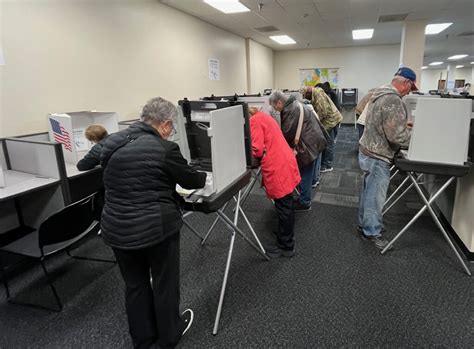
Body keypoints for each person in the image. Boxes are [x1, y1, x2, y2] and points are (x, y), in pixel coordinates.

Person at [100, 97, 206, 349]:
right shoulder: (164, 149)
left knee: (135, 284)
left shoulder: (112, 141)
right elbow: (192, 181)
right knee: (164, 282)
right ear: (166, 125)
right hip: (155, 228)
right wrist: (202, 174)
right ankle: (169, 336)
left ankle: (142, 338)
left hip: (116, 227)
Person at [358, 67, 416, 250]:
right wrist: (418, 140)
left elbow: (381, 121)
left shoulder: (379, 93)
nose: (409, 92)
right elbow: (396, 137)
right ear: (405, 82)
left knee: (368, 192)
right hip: (378, 155)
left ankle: (364, 224)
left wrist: (401, 124)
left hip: (368, 149)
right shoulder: (393, 99)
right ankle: (372, 232)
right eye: (410, 87)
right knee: (375, 197)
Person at [248, 107, 301, 258]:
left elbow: (256, 150)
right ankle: (286, 233)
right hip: (285, 161)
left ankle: (286, 246)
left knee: (283, 206)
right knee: (287, 204)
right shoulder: (263, 116)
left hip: (278, 167)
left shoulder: (254, 121)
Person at [269, 90, 327, 211]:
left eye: (274, 106)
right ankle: (303, 197)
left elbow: (287, 133)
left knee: (305, 173)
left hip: (308, 145)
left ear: (279, 102)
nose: (274, 109)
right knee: (307, 172)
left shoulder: (290, 110)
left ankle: (305, 202)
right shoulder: (295, 103)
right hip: (313, 140)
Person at [301, 85, 343, 173]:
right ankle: (325, 163)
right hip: (330, 120)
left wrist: (313, 121)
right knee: (327, 142)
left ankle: (327, 165)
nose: (306, 98)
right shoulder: (316, 93)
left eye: (305, 96)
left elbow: (323, 113)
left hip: (330, 122)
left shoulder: (318, 96)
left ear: (309, 93)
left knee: (328, 143)